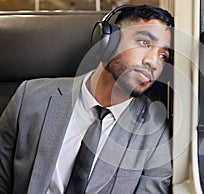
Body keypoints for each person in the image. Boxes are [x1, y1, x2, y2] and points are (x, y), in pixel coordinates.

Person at [0, 5, 174, 194]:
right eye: (144, 42)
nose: (153, 62)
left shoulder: (157, 136)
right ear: (109, 40)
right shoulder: (30, 97)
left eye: (163, 56)